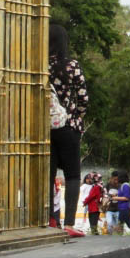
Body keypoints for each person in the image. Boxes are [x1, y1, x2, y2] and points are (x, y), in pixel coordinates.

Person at [48, 24, 88, 238]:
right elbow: (83, 98)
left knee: (48, 175)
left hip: (46, 128)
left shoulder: (40, 66)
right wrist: (76, 116)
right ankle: (70, 223)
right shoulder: (71, 65)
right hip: (69, 125)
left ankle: (49, 220)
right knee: (72, 175)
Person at [114, 169, 130, 235]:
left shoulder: (125, 185)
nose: (117, 178)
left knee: (121, 224)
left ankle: (119, 237)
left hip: (125, 208)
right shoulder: (123, 185)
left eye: (118, 176)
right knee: (129, 224)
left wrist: (115, 198)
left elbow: (127, 198)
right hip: (123, 208)